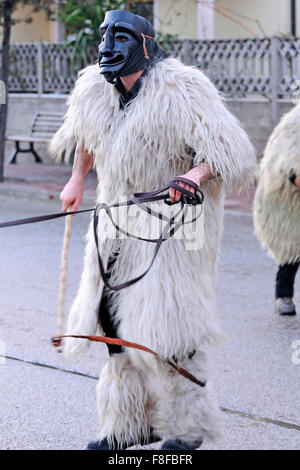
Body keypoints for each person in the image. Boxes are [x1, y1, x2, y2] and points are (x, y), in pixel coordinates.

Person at [50, 9, 256, 450]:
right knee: (112, 323)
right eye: (105, 36)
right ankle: (128, 424)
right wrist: (75, 179)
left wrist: (193, 177)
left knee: (171, 331)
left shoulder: (183, 88)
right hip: (115, 221)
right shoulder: (93, 89)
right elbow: (87, 138)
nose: (108, 45)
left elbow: (230, 152)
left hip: (175, 226)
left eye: (120, 36)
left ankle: (188, 428)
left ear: (143, 45)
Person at [254, 102, 300, 316]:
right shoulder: (294, 125)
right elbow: (290, 170)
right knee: (291, 249)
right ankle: (283, 295)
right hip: (288, 199)